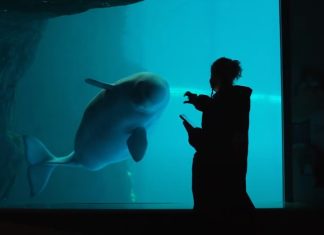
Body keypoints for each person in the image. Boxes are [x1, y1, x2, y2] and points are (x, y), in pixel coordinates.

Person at [181, 57, 255, 220]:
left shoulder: (224, 103)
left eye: (212, 74)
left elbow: (214, 144)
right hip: (232, 175)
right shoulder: (237, 100)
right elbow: (215, 108)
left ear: (217, 76)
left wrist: (194, 135)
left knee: (215, 216)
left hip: (213, 178)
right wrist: (197, 100)